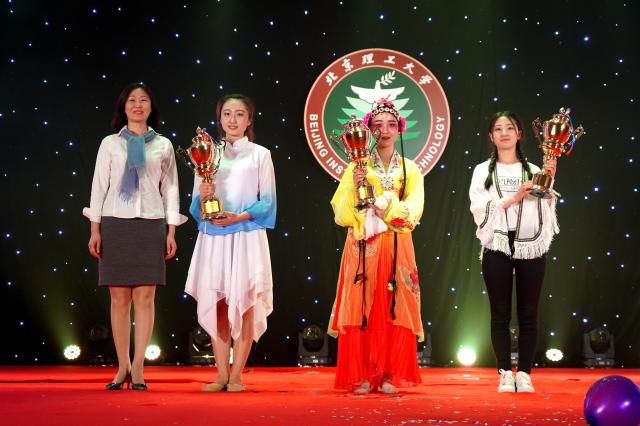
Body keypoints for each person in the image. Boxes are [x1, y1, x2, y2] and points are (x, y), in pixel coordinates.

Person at [84, 82, 187, 390]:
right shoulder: (109, 144)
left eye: (143, 100)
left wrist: (171, 230)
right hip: (115, 222)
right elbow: (98, 187)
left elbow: (171, 189)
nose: (138, 105)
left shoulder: (163, 144)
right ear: (123, 107)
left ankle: (139, 367)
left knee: (145, 297)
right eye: (132, 100)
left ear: (151, 108)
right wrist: (95, 230)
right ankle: (122, 366)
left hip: (151, 223)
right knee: (119, 299)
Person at [328, 98, 424, 394]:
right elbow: (340, 211)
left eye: (391, 125)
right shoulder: (356, 166)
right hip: (363, 245)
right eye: (378, 125)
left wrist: (389, 208)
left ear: (400, 130)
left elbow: (415, 208)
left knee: (395, 306)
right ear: (368, 131)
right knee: (363, 306)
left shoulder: (410, 169)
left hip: (397, 244)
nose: (385, 130)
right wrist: (356, 187)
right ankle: (364, 374)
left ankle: (390, 374)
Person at [185, 94, 276, 392]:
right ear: (220, 118)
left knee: (245, 303)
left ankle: (237, 375)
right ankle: (221, 374)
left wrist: (239, 217)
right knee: (219, 304)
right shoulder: (206, 153)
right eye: (227, 113)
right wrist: (205, 198)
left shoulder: (260, 154)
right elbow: (196, 207)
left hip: (247, 235)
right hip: (214, 237)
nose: (233, 119)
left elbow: (268, 202)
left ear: (249, 120)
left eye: (239, 114)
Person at [469, 111, 559, 393]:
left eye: (510, 128)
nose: (504, 133)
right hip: (497, 244)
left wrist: (549, 180)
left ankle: (525, 374)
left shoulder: (534, 169)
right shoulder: (482, 171)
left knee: (529, 312)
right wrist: (515, 197)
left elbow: (545, 208)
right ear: (491, 136)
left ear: (520, 134)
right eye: (498, 129)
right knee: (500, 313)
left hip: (530, 244)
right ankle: (505, 372)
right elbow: (478, 208)